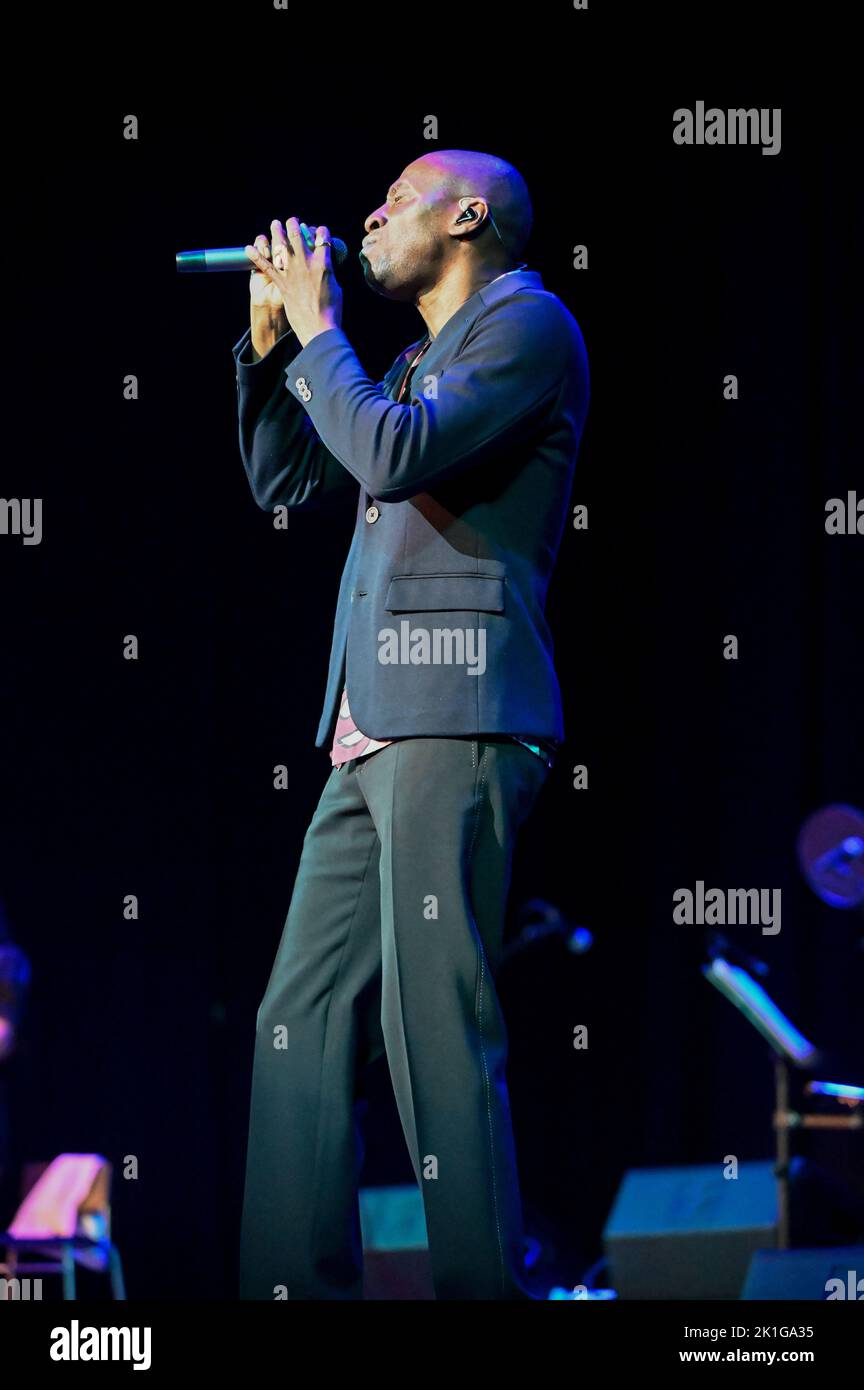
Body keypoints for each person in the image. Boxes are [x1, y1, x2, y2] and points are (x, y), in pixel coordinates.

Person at [231, 149, 589, 1299]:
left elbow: (392, 448)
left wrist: (323, 326)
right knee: (300, 1020)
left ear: (469, 216)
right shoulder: (411, 356)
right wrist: (276, 343)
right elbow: (289, 480)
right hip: (369, 721)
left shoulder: (528, 327)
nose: (370, 213)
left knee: (435, 1019)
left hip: (458, 709)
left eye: (398, 197)